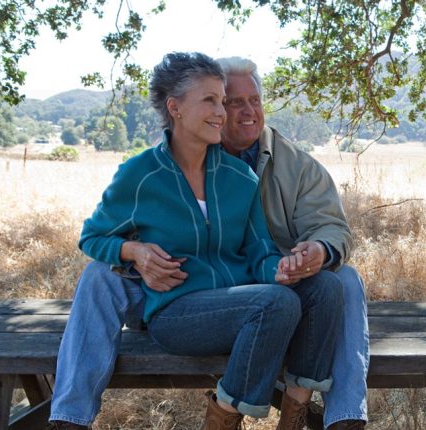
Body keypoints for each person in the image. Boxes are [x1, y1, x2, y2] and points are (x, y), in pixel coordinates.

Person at [49, 52, 342, 430]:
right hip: (178, 313)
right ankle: (224, 418)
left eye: (222, 101)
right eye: (210, 100)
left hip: (240, 305)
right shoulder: (140, 175)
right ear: (175, 108)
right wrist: (132, 250)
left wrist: (282, 268)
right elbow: (92, 237)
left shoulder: (240, 178)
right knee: (276, 302)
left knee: (326, 287)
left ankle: (293, 414)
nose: (221, 112)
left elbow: (259, 252)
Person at [215, 56, 370, 430]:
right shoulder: (192, 157)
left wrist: (319, 251)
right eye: (235, 102)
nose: (249, 111)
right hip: (219, 292)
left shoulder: (298, 165)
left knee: (345, 279)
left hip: (286, 285)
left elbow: (331, 227)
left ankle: (345, 417)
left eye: (255, 100)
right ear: (213, 108)